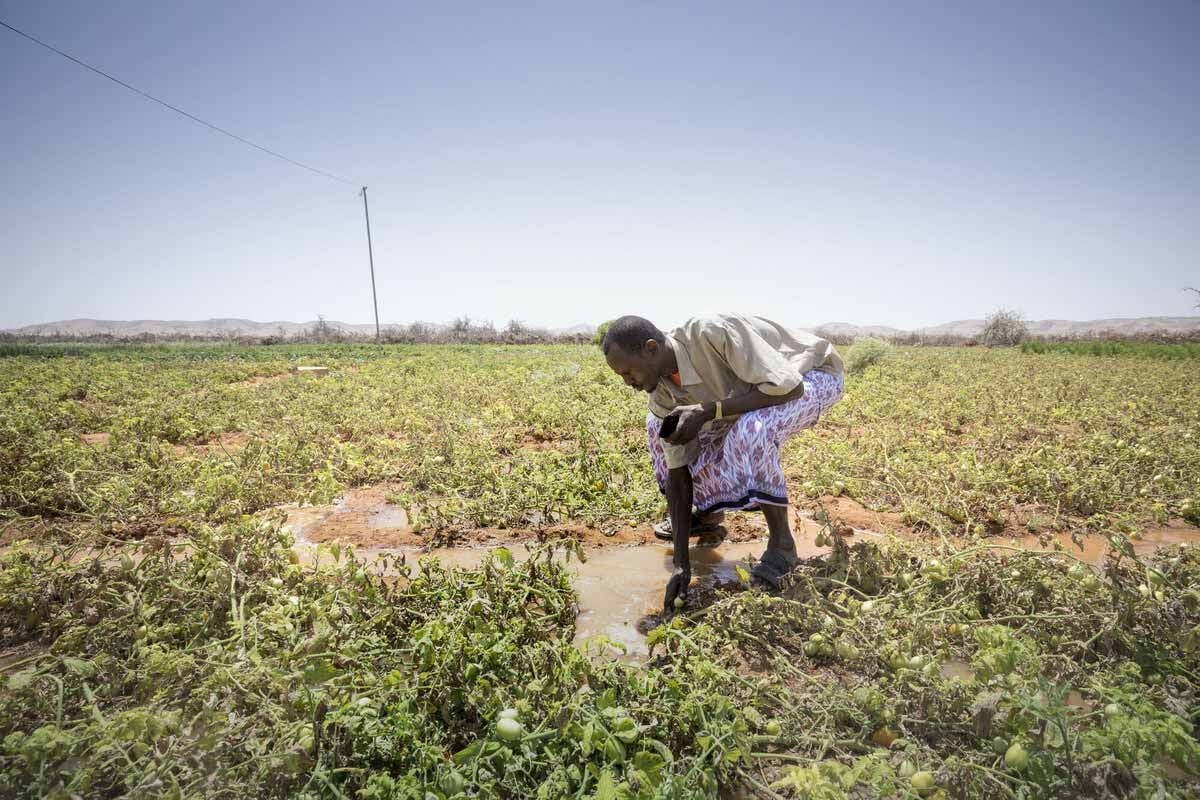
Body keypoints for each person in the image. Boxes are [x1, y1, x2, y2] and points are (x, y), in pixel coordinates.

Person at [601, 313, 844, 610]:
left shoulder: (711, 334)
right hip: (754, 394)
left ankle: (782, 545)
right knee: (659, 426)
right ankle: (707, 515)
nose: (628, 382)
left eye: (628, 372)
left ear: (651, 349)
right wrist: (681, 564)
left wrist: (708, 410)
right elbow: (678, 473)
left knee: (753, 429)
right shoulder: (662, 392)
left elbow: (789, 388)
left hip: (811, 376)